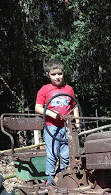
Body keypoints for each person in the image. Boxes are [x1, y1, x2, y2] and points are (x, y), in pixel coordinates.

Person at [35, 58, 80, 187]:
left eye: (59, 74)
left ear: (63, 73)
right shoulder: (44, 90)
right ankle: (49, 178)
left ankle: (62, 175)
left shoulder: (69, 89)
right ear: (48, 75)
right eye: (54, 74)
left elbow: (74, 106)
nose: (57, 77)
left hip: (66, 126)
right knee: (53, 153)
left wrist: (77, 122)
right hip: (51, 127)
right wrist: (51, 113)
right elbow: (38, 107)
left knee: (66, 153)